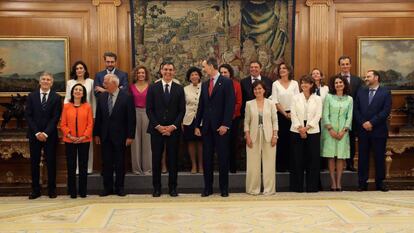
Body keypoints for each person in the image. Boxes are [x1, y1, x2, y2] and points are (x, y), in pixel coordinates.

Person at [195, 57, 235, 197]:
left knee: (223, 159)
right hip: (207, 128)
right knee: (207, 159)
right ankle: (208, 188)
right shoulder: (205, 84)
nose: (203, 69)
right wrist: (197, 125)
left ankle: (224, 188)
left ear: (211, 66)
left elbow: (230, 105)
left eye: (204, 66)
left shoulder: (226, 82)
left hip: (221, 128)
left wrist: (225, 124)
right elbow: (201, 105)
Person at [146, 61, 185, 197]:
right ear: (161, 71)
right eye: (165, 70)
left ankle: (173, 188)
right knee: (156, 159)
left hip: (173, 130)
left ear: (174, 72)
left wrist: (173, 127)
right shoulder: (152, 88)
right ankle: (156, 188)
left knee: (173, 159)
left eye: (170, 70)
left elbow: (182, 110)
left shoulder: (179, 89)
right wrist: (158, 126)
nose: (168, 72)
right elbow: (149, 109)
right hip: (156, 130)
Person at [93, 74, 136, 197]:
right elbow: (99, 117)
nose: (104, 85)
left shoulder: (127, 97)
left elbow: (131, 118)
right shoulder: (102, 97)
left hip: (121, 136)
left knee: (120, 163)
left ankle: (120, 187)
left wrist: (130, 136)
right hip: (105, 136)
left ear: (114, 84)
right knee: (106, 163)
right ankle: (107, 188)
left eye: (106, 83)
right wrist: (96, 134)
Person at [25, 72, 62, 199]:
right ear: (40, 82)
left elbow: (55, 117)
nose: (46, 81)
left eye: (48, 80)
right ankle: (36, 190)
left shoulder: (56, 98)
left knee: (51, 162)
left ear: (52, 82)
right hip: (34, 135)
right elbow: (28, 116)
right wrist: (37, 132)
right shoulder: (31, 96)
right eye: (44, 79)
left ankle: (52, 189)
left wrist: (45, 133)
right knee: (34, 163)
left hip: (50, 135)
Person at [354, 70, 392, 192]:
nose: (366, 78)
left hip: (379, 130)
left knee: (379, 157)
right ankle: (362, 183)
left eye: (368, 76)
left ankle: (380, 183)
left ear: (376, 78)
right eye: (365, 77)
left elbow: (385, 111)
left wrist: (372, 122)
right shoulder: (361, 91)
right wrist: (363, 122)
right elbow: (356, 110)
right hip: (363, 130)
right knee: (363, 158)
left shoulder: (385, 92)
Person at [244, 81, 278, 195]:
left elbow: (275, 121)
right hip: (253, 136)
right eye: (255, 89)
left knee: (269, 163)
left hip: (269, 136)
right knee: (253, 164)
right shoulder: (249, 104)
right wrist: (247, 136)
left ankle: (269, 189)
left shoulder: (271, 103)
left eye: (259, 89)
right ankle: (253, 189)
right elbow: (246, 122)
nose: (257, 91)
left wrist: (275, 136)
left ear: (264, 90)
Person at [289, 75, 322, 193]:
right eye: (302, 83)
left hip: (312, 130)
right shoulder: (295, 98)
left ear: (312, 84)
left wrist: (307, 128)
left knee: (312, 160)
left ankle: (312, 187)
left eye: (306, 83)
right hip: (296, 130)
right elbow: (293, 114)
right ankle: (296, 187)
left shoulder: (317, 98)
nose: (304, 85)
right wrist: (300, 128)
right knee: (297, 159)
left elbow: (318, 115)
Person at [61, 84, 93, 198]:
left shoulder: (87, 106)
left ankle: (83, 191)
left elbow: (90, 124)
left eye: (80, 90)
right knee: (71, 166)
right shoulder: (66, 106)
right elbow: (63, 124)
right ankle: (72, 191)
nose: (78, 91)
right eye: (76, 89)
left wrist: (83, 136)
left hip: (84, 140)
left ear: (83, 93)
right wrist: (70, 136)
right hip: (69, 140)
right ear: (72, 92)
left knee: (83, 165)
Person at [321, 75, 353, 191]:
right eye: (336, 83)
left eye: (340, 82)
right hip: (330, 131)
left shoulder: (349, 99)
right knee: (331, 157)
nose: (338, 84)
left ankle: (339, 183)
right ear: (333, 85)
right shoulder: (329, 97)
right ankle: (332, 183)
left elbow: (349, 116)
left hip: (343, 132)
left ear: (344, 84)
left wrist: (344, 130)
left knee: (340, 157)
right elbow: (325, 114)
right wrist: (330, 129)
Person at [64, 61, 95, 173]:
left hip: (87, 114)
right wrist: (66, 112)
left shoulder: (91, 82)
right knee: (72, 142)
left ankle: (88, 168)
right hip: (72, 113)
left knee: (86, 141)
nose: (79, 70)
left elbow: (93, 99)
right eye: (77, 68)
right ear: (75, 70)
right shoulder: (70, 82)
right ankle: (75, 169)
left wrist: (94, 114)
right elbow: (67, 98)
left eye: (81, 68)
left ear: (85, 70)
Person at [270, 62, 299, 172]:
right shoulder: (275, 84)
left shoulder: (295, 83)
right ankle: (281, 166)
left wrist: (292, 113)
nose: (282, 70)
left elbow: (297, 99)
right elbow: (275, 101)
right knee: (281, 141)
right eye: (280, 68)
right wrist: (285, 113)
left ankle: (291, 166)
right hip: (280, 115)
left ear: (289, 70)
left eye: (284, 68)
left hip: (294, 115)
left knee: (292, 141)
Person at [338, 55, 363, 171]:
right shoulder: (334, 79)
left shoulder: (357, 80)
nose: (345, 66)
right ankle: (338, 164)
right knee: (338, 139)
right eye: (343, 64)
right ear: (340, 66)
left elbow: (359, 98)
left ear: (350, 65)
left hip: (353, 116)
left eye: (347, 64)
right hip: (338, 115)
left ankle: (350, 164)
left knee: (351, 140)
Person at [219, 64, 242, 173]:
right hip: (219, 120)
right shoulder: (216, 84)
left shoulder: (236, 85)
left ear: (230, 73)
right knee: (221, 144)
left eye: (225, 72)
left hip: (233, 119)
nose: (223, 74)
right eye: (221, 72)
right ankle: (222, 167)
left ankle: (232, 167)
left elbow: (238, 102)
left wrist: (229, 116)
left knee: (232, 143)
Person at [129, 65, 152, 175]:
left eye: (143, 73)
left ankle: (147, 169)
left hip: (147, 114)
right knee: (135, 141)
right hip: (134, 113)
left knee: (147, 142)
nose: (141, 75)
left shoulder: (150, 87)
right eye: (139, 73)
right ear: (136, 74)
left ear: (146, 74)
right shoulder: (131, 87)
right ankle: (137, 169)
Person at [183, 67, 203, 174]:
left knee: (200, 142)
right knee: (191, 142)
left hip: (201, 120)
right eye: (192, 75)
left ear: (199, 76)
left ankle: (201, 165)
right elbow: (182, 106)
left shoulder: (205, 87)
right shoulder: (185, 89)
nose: (194, 76)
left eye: (196, 74)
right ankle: (194, 165)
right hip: (188, 119)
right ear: (189, 78)